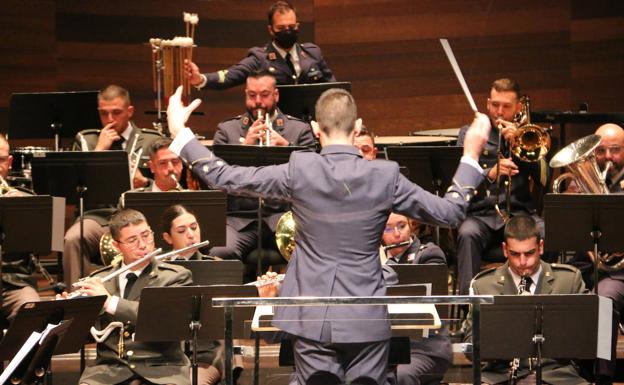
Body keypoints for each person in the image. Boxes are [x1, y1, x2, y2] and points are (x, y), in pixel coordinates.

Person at [166, 85, 490, 385]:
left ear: (315, 129)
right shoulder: (384, 174)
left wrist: (181, 134)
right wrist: (471, 154)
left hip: (311, 314)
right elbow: (450, 213)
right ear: (358, 126)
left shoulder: (300, 169)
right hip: (366, 314)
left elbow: (225, 177)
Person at [63, 209, 192, 385]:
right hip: (110, 370)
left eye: (146, 235)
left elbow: (165, 319)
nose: (143, 245)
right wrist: (68, 313)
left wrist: (110, 302)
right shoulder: (99, 281)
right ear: (116, 246)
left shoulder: (175, 276)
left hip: (161, 369)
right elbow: (83, 336)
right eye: (132, 240)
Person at [209, 70, 314, 268]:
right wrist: (242, 149)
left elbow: (313, 177)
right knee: (219, 252)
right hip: (240, 219)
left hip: (284, 215)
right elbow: (214, 180)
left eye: (264, 95)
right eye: (251, 95)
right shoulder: (226, 130)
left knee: (312, 248)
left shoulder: (299, 130)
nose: (258, 101)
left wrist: (287, 147)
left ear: (276, 95)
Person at [467, 215, 588, 385]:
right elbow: (470, 346)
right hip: (500, 376)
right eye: (515, 254)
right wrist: (507, 338)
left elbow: (588, 334)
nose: (523, 262)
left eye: (529, 253)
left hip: (555, 376)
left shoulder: (568, 280)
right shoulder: (483, 285)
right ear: (504, 250)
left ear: (541, 247)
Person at [455, 78, 548, 295]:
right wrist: (490, 174)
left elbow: (544, 178)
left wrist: (518, 143)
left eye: (506, 106)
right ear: (487, 104)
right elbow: (459, 179)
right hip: (480, 215)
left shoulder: (530, 134)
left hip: (519, 215)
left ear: (517, 108)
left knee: (546, 231)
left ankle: (540, 298)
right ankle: (468, 308)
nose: (499, 111)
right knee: (467, 233)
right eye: (495, 105)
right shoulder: (471, 133)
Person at [63, 138, 184, 289]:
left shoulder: (196, 199)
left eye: (176, 162)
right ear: (152, 167)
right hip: (138, 260)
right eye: (163, 163)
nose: (171, 168)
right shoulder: (131, 197)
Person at [568, 123, 624, 384]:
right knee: (559, 287)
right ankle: (567, 370)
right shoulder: (583, 184)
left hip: (619, 272)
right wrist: (572, 207)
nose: (609, 157)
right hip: (590, 266)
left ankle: (603, 376)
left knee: (604, 298)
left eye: (616, 150)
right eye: (601, 151)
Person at [185, 1, 335, 90]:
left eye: (291, 27)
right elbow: (230, 75)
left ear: (298, 26)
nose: (287, 32)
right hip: (277, 128)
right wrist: (201, 79)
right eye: (281, 28)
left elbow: (335, 90)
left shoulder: (312, 54)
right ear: (271, 30)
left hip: (312, 127)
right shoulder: (260, 58)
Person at [381, 213, 452, 385]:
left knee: (403, 375)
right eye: (388, 228)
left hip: (424, 349)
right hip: (385, 347)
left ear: (411, 225)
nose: (397, 234)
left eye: (401, 226)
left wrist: (385, 265)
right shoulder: (371, 259)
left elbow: (433, 302)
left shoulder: (429, 254)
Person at [72, 84, 162, 188]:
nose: (110, 119)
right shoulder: (85, 140)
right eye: (103, 113)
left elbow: (169, 185)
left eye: (116, 112)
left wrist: (146, 183)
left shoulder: (152, 140)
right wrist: (99, 150)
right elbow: (74, 187)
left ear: (129, 111)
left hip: (137, 203)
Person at [0, 133, 40, 324]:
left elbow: (44, 247)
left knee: (33, 312)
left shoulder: (26, 198)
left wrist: (21, 212)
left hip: (14, 283)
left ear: (9, 162)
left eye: (0, 160)